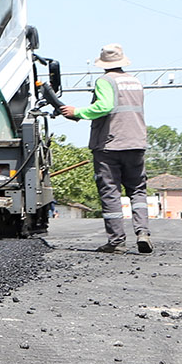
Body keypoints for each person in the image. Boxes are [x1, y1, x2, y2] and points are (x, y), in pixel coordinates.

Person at [61, 43, 151, 254]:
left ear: (103, 64)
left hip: (110, 145)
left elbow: (104, 106)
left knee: (110, 191)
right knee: (137, 190)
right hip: (136, 142)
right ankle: (143, 232)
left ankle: (117, 241)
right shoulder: (135, 82)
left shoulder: (105, 81)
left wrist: (77, 111)